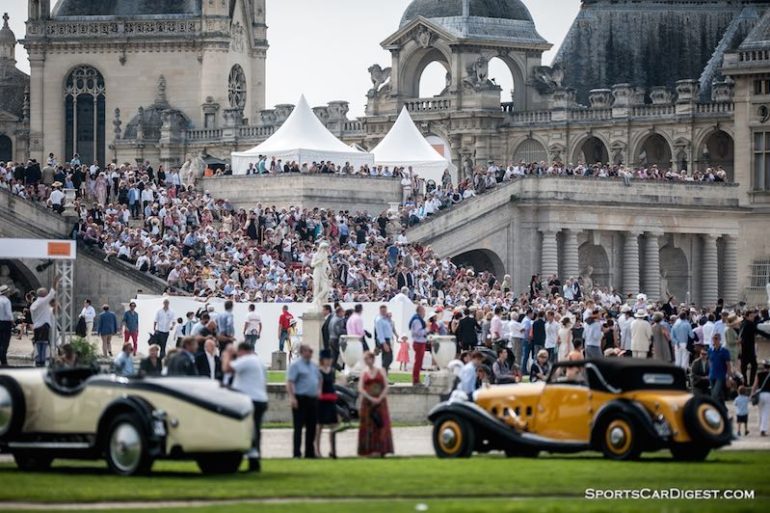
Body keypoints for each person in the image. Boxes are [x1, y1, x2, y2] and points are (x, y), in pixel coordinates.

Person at [222, 342, 268, 472]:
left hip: (250, 400)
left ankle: (251, 460)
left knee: (248, 431)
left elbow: (227, 368)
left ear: (242, 351)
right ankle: (254, 459)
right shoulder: (257, 360)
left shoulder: (247, 360)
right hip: (259, 399)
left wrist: (227, 355)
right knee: (254, 430)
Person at [357, 351, 394, 457]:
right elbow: (360, 388)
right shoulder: (364, 372)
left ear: (373, 359)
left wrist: (379, 398)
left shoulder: (380, 371)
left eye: (368, 359)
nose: (367, 361)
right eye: (365, 359)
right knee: (368, 426)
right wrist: (370, 398)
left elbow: (386, 386)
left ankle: (381, 449)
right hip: (368, 402)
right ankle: (369, 449)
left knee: (380, 425)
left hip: (380, 402)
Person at [286, 344, 320, 458]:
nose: (310, 353)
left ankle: (309, 453)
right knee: (298, 427)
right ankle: (297, 453)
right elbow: (290, 382)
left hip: (312, 399)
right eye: (308, 351)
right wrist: (292, 397)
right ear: (302, 352)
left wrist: (318, 391)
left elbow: (319, 379)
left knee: (312, 427)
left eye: (311, 351)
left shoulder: (314, 366)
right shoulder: (295, 365)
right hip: (300, 398)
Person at [30, 276, 59, 367]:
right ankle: (43, 360)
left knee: (38, 343)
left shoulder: (33, 305)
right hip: (44, 325)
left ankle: (38, 360)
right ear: (43, 295)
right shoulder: (43, 301)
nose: (47, 295)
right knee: (44, 343)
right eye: (46, 293)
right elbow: (52, 292)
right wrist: (55, 281)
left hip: (37, 326)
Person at [315, 349, 339, 459]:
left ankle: (333, 450)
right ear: (322, 360)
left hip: (331, 399)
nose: (328, 361)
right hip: (321, 400)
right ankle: (317, 450)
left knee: (333, 425)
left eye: (330, 359)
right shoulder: (318, 371)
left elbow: (334, 384)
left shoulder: (332, 371)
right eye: (326, 359)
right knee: (319, 426)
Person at [708, 333, 732, 405]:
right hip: (712, 375)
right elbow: (710, 362)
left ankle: (713, 408)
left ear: (719, 340)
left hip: (720, 376)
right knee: (719, 396)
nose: (714, 340)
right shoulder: (710, 350)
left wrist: (728, 377)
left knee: (714, 394)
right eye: (713, 339)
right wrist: (709, 373)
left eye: (716, 338)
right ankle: (724, 410)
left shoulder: (724, 351)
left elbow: (728, 365)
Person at [409, 305, 428, 385]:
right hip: (419, 342)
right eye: (423, 311)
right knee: (418, 362)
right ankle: (416, 380)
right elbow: (418, 332)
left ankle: (416, 379)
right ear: (420, 311)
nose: (424, 313)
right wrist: (427, 330)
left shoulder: (417, 319)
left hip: (419, 342)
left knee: (419, 362)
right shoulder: (417, 320)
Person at [751, 360, 770, 436]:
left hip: (760, 394)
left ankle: (761, 428)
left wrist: (752, 393)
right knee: (766, 412)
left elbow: (755, 385)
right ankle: (763, 429)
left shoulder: (759, 374)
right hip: (768, 395)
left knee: (760, 412)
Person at [375, 304, 394, 374]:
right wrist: (384, 343)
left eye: (385, 311)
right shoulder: (379, 320)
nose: (384, 312)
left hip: (388, 339)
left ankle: (384, 375)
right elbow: (380, 333)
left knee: (387, 358)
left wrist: (389, 318)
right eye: (383, 311)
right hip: (384, 340)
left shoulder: (385, 319)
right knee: (388, 358)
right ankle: (383, 375)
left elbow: (390, 328)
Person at [0, 285, 12, 366]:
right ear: (6, 292)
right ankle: (3, 359)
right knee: (5, 342)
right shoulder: (6, 301)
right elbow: (8, 313)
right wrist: (12, 320)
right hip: (6, 323)